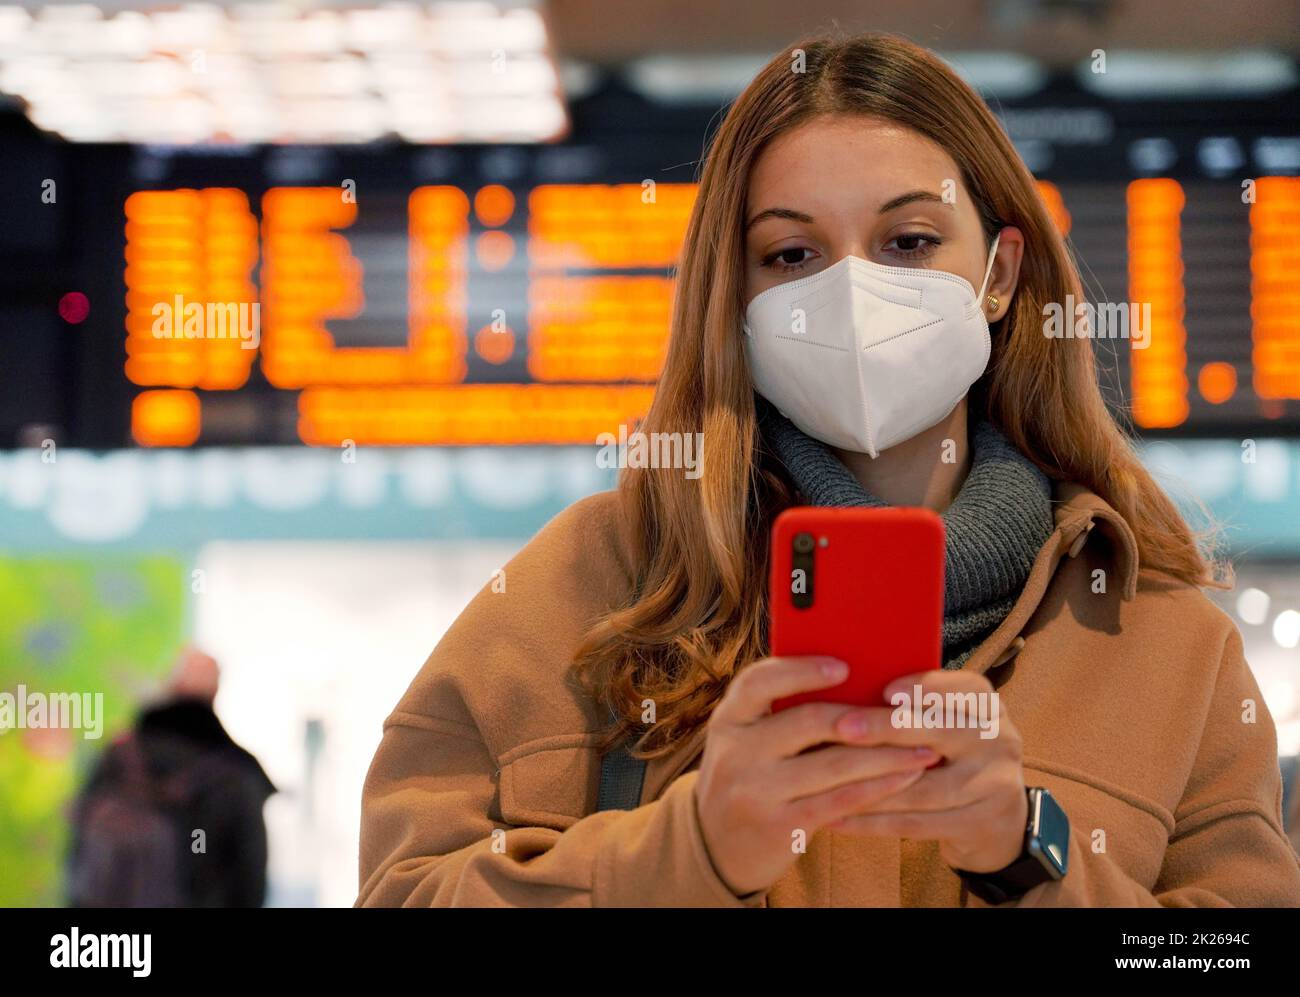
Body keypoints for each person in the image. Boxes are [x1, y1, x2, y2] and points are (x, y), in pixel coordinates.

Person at [356, 33, 1300, 907]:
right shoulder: (580, 591)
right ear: (738, 294)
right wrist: (690, 850)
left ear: (1001, 275)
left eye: (911, 242)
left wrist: (1030, 853)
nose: (851, 289)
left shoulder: (1167, 642)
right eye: (793, 254)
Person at [68, 647, 275, 907]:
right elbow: (250, 882)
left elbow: (79, 849)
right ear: (215, 693)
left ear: (171, 685)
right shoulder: (234, 776)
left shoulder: (118, 756)